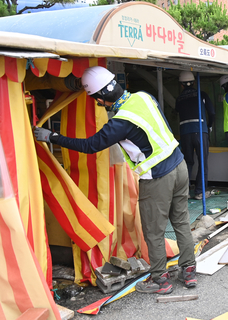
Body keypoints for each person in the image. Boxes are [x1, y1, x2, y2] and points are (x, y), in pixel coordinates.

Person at [33, 66, 197, 295]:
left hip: (157, 178)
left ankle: (161, 280)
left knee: (154, 232)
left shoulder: (120, 123)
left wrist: (52, 136)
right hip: (180, 166)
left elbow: (90, 146)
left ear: (100, 99)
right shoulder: (144, 97)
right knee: (181, 222)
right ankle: (189, 271)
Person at [175, 71, 215, 200]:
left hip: (185, 133)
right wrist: (209, 125)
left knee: (188, 162)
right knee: (203, 162)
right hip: (200, 130)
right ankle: (199, 192)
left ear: (181, 85)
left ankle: (184, 191)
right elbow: (212, 112)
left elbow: (176, 112)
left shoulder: (179, 98)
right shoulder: (201, 94)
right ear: (193, 82)